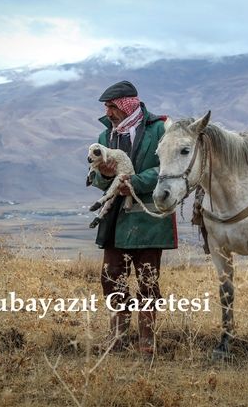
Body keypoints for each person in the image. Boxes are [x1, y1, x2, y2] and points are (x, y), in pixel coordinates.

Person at [89, 80, 177, 355]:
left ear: (129, 104)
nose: (108, 111)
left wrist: (137, 182)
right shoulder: (105, 137)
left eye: (112, 106)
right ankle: (118, 334)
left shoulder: (161, 129)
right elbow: (97, 177)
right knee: (110, 277)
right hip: (115, 219)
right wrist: (104, 176)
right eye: (106, 106)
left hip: (148, 217)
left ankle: (147, 339)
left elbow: (168, 167)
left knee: (148, 279)